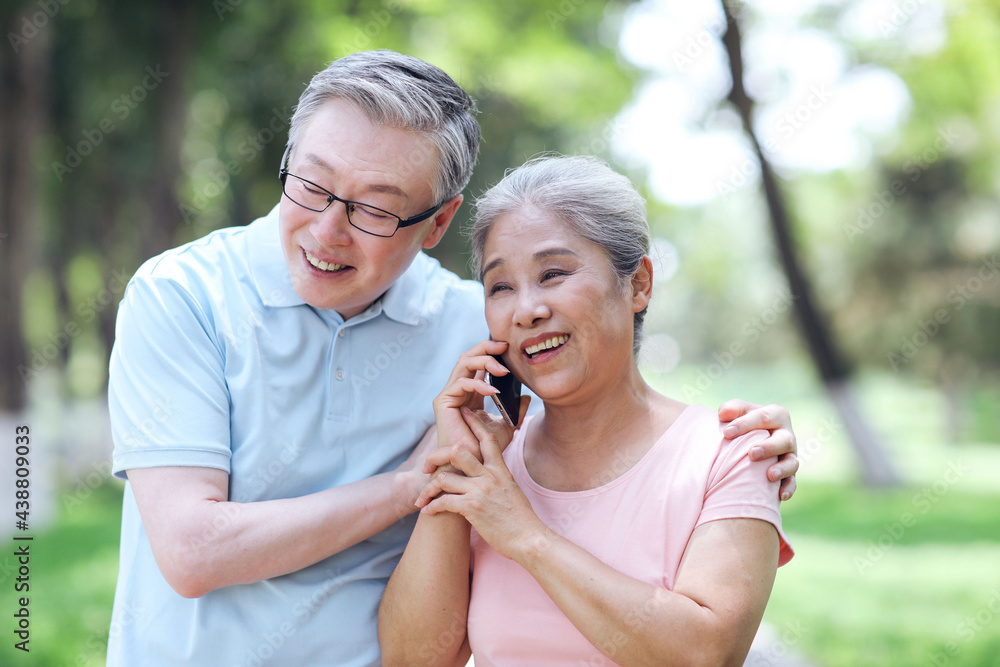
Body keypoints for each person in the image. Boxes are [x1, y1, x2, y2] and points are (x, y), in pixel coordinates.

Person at [106, 51, 798, 666]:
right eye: (311, 186)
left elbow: (608, 405)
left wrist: (742, 445)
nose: (326, 230)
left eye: (375, 209)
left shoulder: (478, 323)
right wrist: (419, 482)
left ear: (437, 223)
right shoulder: (182, 297)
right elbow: (194, 550)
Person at [378, 155, 795, 666]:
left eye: (553, 273)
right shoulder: (491, 467)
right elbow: (411, 659)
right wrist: (458, 458)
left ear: (638, 284)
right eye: (500, 286)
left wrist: (526, 535)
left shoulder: (731, 454)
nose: (526, 309)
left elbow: (705, 653)